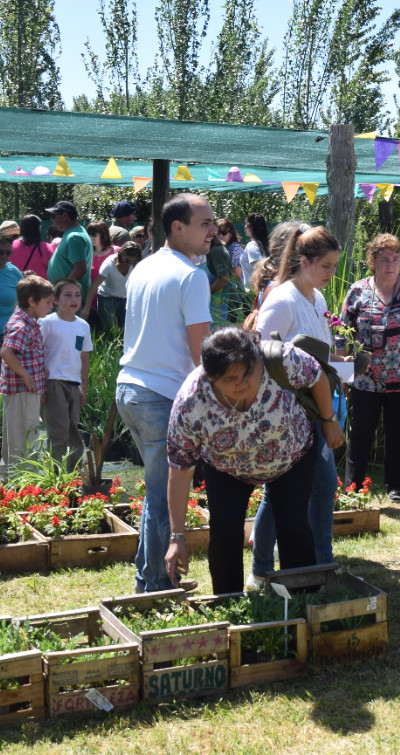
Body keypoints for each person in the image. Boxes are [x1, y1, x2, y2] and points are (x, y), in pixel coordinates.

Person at [165, 328, 345, 594]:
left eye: (249, 371)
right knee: (224, 533)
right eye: (231, 378)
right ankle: (228, 602)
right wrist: (177, 537)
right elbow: (180, 471)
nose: (244, 382)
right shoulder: (191, 403)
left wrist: (329, 421)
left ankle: (304, 604)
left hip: (291, 457)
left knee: (294, 526)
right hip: (226, 469)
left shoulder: (281, 359)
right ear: (211, 378)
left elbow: (316, 375)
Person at [118, 193, 214, 593]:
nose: (212, 230)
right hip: (160, 397)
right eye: (204, 223)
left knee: (156, 494)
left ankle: (151, 576)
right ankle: (153, 584)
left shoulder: (144, 267)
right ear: (178, 228)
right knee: (161, 498)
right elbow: (202, 352)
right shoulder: (191, 276)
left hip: (130, 391)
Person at [249, 225, 344, 587]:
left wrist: (343, 360)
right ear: (304, 262)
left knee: (318, 487)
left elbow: (318, 352)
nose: (331, 274)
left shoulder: (316, 299)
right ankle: (264, 569)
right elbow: (261, 355)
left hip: (315, 410)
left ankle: (320, 564)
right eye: (326, 266)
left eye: (334, 266)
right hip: (288, 415)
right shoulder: (282, 299)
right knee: (286, 492)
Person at [339, 233, 400, 500]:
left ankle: (396, 486)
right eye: (383, 259)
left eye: (395, 259)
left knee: (398, 433)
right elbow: (342, 333)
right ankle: (353, 488)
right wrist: (343, 375)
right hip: (366, 377)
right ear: (372, 261)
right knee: (361, 433)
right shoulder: (358, 290)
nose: (390, 265)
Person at [0, 274, 53, 479]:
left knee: (21, 433)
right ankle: (22, 480)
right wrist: (26, 376)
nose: (51, 306)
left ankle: (16, 478)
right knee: (22, 437)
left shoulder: (28, 321)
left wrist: (40, 371)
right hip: (21, 391)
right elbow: (6, 352)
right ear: (32, 301)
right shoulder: (21, 325)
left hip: (25, 391)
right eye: (47, 302)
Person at [40, 279, 93, 471]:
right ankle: (56, 475)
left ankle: (73, 473)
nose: (74, 299)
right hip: (53, 382)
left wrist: (83, 388)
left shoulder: (82, 326)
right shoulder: (47, 323)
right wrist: (41, 385)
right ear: (55, 300)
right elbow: (38, 352)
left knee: (72, 428)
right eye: (68, 295)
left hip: (73, 384)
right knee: (58, 431)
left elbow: (82, 355)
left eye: (77, 295)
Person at [45, 201, 94, 302]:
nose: (51, 219)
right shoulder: (74, 233)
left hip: (69, 301)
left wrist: (61, 292)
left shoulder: (74, 237)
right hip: (69, 299)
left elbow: (80, 269)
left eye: (54, 216)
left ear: (64, 215)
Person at [85, 241, 140, 330]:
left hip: (124, 298)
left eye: (132, 262)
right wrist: (87, 308)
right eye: (126, 260)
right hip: (107, 298)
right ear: (120, 254)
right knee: (110, 330)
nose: (128, 264)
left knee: (125, 329)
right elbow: (95, 285)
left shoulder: (135, 265)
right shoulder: (109, 264)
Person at [81, 221, 117, 331]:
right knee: (87, 336)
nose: (91, 237)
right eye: (89, 234)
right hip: (87, 304)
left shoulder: (117, 252)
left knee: (109, 338)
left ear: (104, 234)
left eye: (94, 233)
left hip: (111, 304)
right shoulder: (85, 253)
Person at [11, 215, 52, 280]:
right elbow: (51, 270)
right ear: (38, 228)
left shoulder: (12, 245)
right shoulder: (45, 247)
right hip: (41, 286)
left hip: (18, 286)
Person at [0, 222, 21, 335]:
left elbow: (24, 302)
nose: (4, 255)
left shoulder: (14, 271)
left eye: (8, 252)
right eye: (0, 252)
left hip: (9, 334)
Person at [242, 213, 269, 285]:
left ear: (250, 227)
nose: (245, 227)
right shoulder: (262, 244)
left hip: (253, 292)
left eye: (246, 224)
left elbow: (261, 268)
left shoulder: (252, 246)